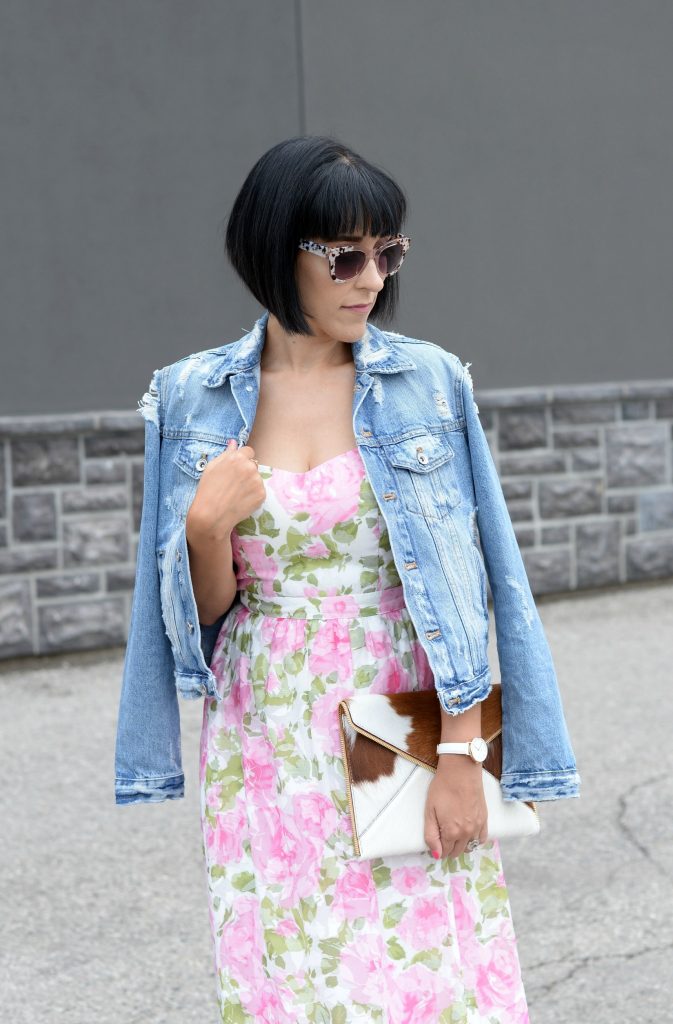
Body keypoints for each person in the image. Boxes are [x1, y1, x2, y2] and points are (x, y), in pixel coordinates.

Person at [115, 134, 580, 1023]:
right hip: (264, 731)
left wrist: (458, 756)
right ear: (274, 246)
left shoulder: (427, 383)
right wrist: (205, 527)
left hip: (399, 704)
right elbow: (208, 619)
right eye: (345, 255)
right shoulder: (190, 396)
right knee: (294, 969)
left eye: (387, 252)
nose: (370, 277)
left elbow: (477, 585)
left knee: (421, 971)